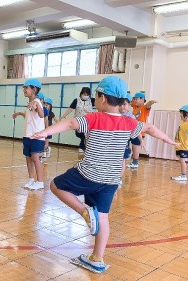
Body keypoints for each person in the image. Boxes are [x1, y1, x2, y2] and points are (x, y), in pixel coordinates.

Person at [30, 76, 177, 273]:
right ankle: (97, 259)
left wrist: (44, 132)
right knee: (103, 217)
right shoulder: (129, 122)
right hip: (111, 180)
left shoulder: (94, 117)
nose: (94, 101)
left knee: (56, 185)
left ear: (103, 99)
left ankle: (84, 212)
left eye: (96, 97)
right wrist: (170, 141)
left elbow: (70, 123)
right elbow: (150, 128)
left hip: (89, 173)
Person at [13, 78, 45, 190]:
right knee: (28, 157)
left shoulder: (37, 102)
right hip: (27, 135)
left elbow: (41, 115)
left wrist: (36, 105)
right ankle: (31, 179)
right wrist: (20, 113)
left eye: (26, 88)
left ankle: (40, 181)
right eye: (24, 88)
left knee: (35, 158)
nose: (24, 90)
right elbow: (30, 116)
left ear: (34, 89)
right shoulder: (30, 103)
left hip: (37, 135)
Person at [127, 91, 158, 169]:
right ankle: (129, 158)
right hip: (132, 130)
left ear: (142, 99)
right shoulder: (135, 107)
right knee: (130, 145)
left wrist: (151, 102)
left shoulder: (144, 108)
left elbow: (148, 105)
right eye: (134, 99)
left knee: (135, 147)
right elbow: (129, 102)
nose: (135, 101)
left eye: (136, 99)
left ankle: (135, 163)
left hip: (140, 131)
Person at [60, 87, 95, 153]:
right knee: (78, 134)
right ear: (81, 93)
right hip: (78, 121)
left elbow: (100, 106)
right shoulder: (76, 100)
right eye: (84, 94)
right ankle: (84, 145)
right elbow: (70, 109)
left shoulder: (91, 100)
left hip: (88, 121)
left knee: (85, 134)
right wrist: (63, 116)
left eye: (87, 94)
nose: (85, 96)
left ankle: (82, 147)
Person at [171, 105, 188, 182]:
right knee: (181, 159)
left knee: (182, 160)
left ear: (187, 114)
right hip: (180, 145)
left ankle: (183, 175)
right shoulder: (182, 123)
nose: (180, 115)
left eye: (182, 113)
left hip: (185, 146)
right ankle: (182, 174)